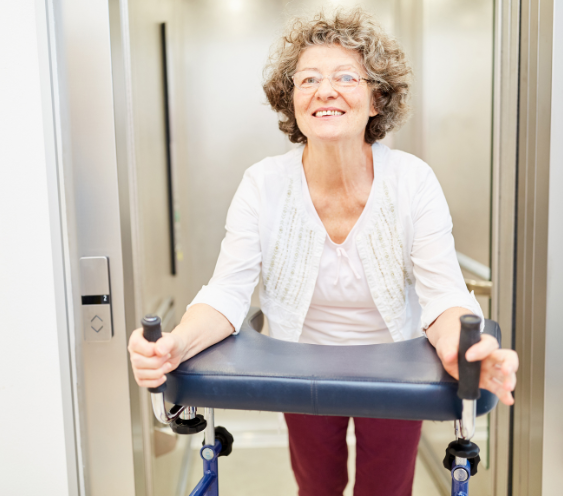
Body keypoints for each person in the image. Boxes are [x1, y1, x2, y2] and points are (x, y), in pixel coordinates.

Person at [128, 8, 518, 496]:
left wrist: (464, 350)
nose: (325, 90)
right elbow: (227, 293)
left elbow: (444, 296)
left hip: (393, 368)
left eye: (346, 77)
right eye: (307, 78)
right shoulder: (263, 184)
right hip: (301, 364)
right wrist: (173, 347)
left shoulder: (412, 181)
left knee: (386, 490)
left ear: (377, 98)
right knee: (317, 487)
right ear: (292, 101)